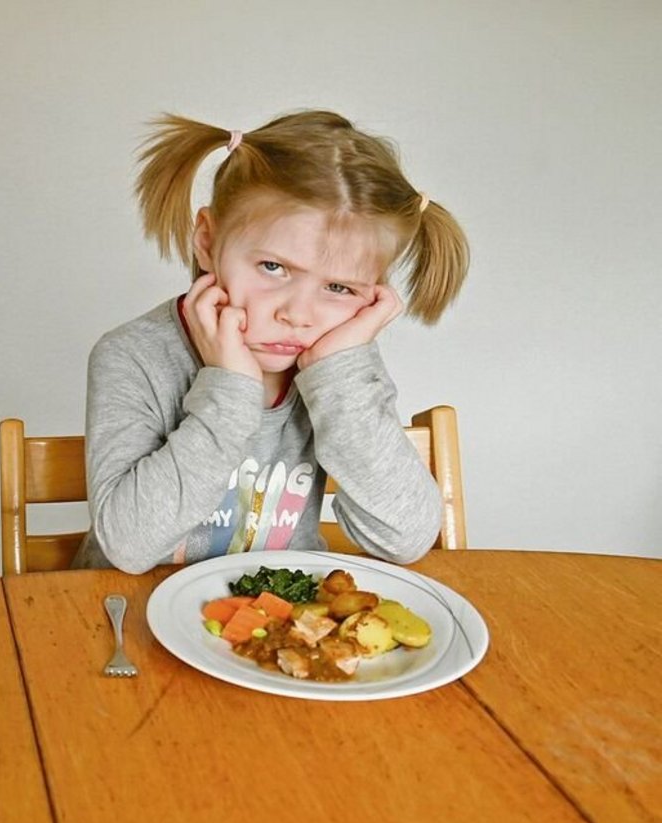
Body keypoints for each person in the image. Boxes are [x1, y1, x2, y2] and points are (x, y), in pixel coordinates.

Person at [72, 110, 469, 573]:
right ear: (207, 240)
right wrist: (230, 387)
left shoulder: (336, 367)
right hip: (130, 606)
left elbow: (406, 538)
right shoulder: (135, 355)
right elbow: (127, 546)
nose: (297, 315)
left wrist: (340, 376)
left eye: (338, 287)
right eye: (273, 267)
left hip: (274, 611)